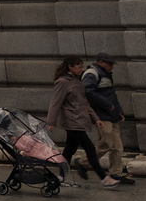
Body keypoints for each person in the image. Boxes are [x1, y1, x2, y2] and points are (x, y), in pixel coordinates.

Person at [48, 57, 120, 188]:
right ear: (70, 67)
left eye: (81, 67)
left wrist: (96, 118)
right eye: (79, 67)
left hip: (80, 120)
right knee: (90, 148)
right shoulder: (62, 82)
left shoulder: (77, 81)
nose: (81, 69)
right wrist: (51, 121)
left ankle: (61, 176)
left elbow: (84, 103)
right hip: (72, 121)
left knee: (70, 149)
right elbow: (55, 102)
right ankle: (104, 178)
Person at [83, 53, 134, 184]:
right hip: (101, 116)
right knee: (106, 144)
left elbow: (111, 94)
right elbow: (88, 92)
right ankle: (84, 163)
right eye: (109, 63)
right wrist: (108, 106)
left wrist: (118, 111)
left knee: (117, 147)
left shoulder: (105, 74)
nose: (112, 67)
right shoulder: (91, 73)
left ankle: (116, 174)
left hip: (111, 115)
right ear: (100, 62)